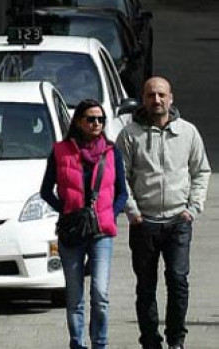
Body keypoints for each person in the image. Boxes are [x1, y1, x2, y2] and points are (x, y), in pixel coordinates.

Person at [117, 76, 211, 349]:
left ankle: (176, 340)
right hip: (143, 222)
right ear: (143, 100)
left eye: (161, 95)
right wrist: (132, 211)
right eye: (150, 95)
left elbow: (201, 171)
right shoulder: (129, 135)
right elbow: (120, 177)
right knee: (146, 286)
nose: (156, 100)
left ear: (171, 98)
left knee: (178, 281)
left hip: (178, 221)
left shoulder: (188, 132)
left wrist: (193, 208)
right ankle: (150, 341)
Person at [40, 99, 128, 349]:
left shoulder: (112, 152)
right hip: (72, 232)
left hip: (102, 232)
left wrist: (110, 213)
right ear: (78, 121)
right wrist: (67, 210)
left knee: (100, 293)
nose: (96, 124)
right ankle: (77, 343)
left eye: (100, 119)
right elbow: (46, 191)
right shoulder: (60, 151)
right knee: (74, 295)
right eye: (91, 119)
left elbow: (122, 192)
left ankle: (100, 343)